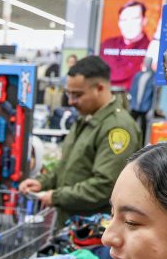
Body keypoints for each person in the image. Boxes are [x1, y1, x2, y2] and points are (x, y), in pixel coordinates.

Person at [18, 56, 141, 227]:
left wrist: (56, 196)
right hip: (72, 225)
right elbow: (68, 166)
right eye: (69, 94)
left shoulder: (117, 128)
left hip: (94, 231)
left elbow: (104, 186)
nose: (70, 101)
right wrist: (42, 183)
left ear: (100, 88)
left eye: (77, 95)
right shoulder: (85, 119)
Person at [99, 0, 152, 90]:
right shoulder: (107, 45)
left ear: (144, 21)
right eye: (124, 20)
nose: (129, 24)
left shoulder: (151, 48)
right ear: (119, 23)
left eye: (134, 18)